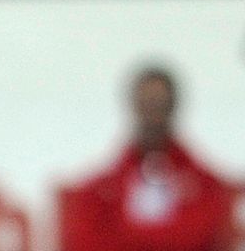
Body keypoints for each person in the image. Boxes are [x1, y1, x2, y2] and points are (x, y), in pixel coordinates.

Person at [57, 66, 236, 251]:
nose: (153, 114)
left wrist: (127, 236)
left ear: (173, 107)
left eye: (160, 104)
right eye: (147, 104)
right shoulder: (98, 191)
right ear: (133, 105)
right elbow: (83, 241)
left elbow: (202, 235)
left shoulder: (206, 187)